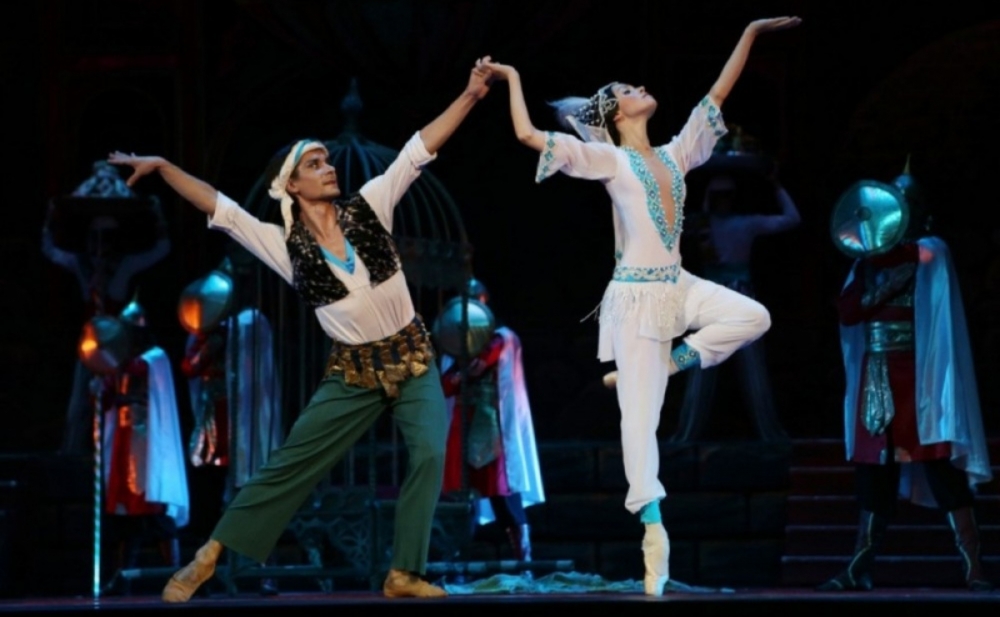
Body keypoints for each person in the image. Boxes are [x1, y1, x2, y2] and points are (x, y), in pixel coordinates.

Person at [108, 57, 496, 601]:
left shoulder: (370, 205)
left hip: (412, 358)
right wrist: (165, 166)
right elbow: (220, 207)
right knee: (293, 462)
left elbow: (418, 149)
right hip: (354, 371)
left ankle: (404, 572)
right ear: (290, 184)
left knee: (430, 452)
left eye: (327, 161)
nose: (328, 168)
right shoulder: (282, 246)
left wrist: (471, 94)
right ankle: (210, 554)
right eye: (314, 164)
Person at [482, 16, 800, 595]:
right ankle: (653, 528)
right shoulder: (610, 161)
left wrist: (750, 34)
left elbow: (717, 95)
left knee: (755, 316)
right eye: (628, 90)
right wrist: (512, 78)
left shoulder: (677, 154)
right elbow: (529, 135)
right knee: (641, 421)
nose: (640, 88)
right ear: (617, 114)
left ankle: (671, 363)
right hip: (634, 297)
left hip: (677, 284)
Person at [818, 166, 994, 592]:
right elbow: (848, 312)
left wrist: (880, 261)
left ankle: (974, 565)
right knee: (873, 475)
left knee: (942, 469)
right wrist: (876, 273)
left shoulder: (931, 250)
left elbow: (916, 258)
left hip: (921, 379)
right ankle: (859, 566)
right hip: (877, 378)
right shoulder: (866, 263)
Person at [42, 161, 170, 454]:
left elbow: (160, 250)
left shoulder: (123, 267)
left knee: (119, 402)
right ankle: (73, 456)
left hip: (119, 346)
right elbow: (50, 250)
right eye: (96, 239)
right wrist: (50, 216)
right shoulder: (81, 265)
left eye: (107, 240)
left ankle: (119, 457)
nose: (101, 247)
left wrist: (158, 215)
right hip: (90, 344)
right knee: (79, 404)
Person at [179, 258, 284, 595]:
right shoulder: (207, 330)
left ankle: (263, 570)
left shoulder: (251, 322)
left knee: (253, 498)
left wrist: (226, 338)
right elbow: (190, 367)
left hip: (245, 425)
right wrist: (209, 340)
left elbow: (256, 370)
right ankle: (206, 572)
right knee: (210, 500)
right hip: (215, 426)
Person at [672, 168, 800, 442]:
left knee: (753, 370)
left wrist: (777, 186)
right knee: (700, 365)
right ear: (711, 197)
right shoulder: (700, 224)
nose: (723, 201)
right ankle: (686, 436)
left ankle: (770, 436)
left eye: (727, 196)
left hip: (738, 298)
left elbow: (792, 219)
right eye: (719, 196)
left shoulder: (745, 223)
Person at [439, 278, 545, 564]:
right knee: (460, 498)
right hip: (461, 425)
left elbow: (479, 364)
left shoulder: (502, 337)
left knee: (503, 495)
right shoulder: (452, 342)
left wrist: (463, 371)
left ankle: (524, 563)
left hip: (493, 427)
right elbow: (447, 384)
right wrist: (458, 372)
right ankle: (457, 565)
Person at [98, 295, 189, 594]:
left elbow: (139, 371)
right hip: (124, 443)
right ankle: (120, 578)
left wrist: (114, 360)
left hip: (150, 445)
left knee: (156, 512)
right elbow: (108, 396)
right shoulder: (120, 362)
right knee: (125, 518)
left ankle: (178, 575)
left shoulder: (155, 358)